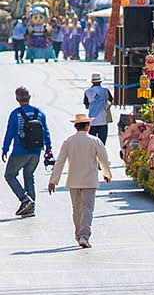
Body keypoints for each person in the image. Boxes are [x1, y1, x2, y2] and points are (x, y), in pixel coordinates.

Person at [48, 114, 112, 248]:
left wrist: (53, 180)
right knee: (88, 208)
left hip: (73, 181)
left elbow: (60, 161)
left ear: (75, 126)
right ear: (87, 126)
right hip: (89, 180)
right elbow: (103, 159)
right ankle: (84, 235)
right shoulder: (94, 141)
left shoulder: (69, 141)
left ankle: (78, 235)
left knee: (76, 209)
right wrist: (107, 174)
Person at [3, 86, 50, 217]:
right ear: (30, 97)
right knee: (29, 176)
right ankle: (31, 207)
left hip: (20, 151)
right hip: (36, 152)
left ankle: (25, 199)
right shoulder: (39, 113)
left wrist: (5, 149)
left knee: (10, 175)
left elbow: (10, 133)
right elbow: (45, 132)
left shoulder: (15, 114)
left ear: (17, 99)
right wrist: (49, 149)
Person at [83, 73, 113, 144]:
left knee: (91, 143)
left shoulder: (87, 92)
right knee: (102, 144)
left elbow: (86, 106)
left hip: (92, 121)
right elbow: (111, 101)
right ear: (100, 82)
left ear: (92, 82)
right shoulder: (105, 91)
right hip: (103, 120)